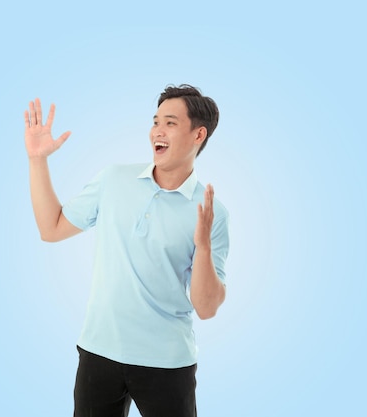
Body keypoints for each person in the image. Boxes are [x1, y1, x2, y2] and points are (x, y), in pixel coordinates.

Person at [24, 84, 229, 417]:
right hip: (98, 354)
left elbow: (206, 307)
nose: (157, 132)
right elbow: (52, 228)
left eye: (171, 123)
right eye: (156, 121)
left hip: (167, 363)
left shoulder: (212, 212)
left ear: (198, 134)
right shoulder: (114, 180)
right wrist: (37, 161)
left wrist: (203, 246)